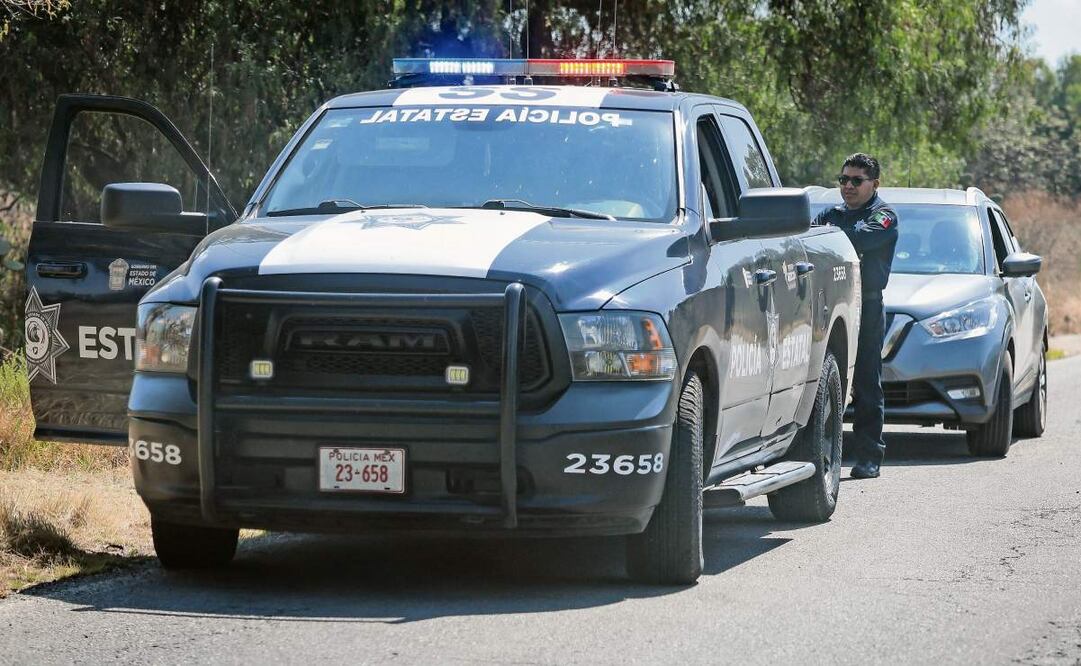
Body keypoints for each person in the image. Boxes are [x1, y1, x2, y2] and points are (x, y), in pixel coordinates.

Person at [814, 153, 898, 479]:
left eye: (856, 181)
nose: (848, 186)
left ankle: (869, 456)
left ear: (874, 184)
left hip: (866, 306)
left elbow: (860, 239)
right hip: (829, 305)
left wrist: (831, 239)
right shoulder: (829, 214)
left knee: (865, 382)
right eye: (843, 179)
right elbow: (812, 243)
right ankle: (820, 453)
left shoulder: (884, 216)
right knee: (825, 378)